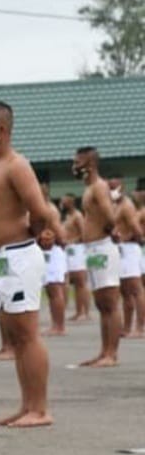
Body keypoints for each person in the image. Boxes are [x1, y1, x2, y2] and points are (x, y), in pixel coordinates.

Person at [0, 102, 53, 427]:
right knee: (14, 334)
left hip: (19, 253)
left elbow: (40, 209)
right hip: (1, 257)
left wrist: (38, 233)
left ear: (0, 130)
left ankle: (40, 409)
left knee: (27, 333)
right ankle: (27, 405)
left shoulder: (16, 165)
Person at [73, 147, 121, 367]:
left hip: (102, 247)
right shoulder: (89, 188)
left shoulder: (99, 187)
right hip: (92, 250)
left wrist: (110, 231)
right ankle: (103, 351)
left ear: (90, 164)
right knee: (101, 303)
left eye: (78, 162)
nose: (75, 166)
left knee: (110, 302)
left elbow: (109, 215)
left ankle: (112, 354)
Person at [110, 179, 145, 338]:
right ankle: (127, 326)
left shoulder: (127, 206)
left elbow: (137, 230)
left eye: (114, 187)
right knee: (125, 292)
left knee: (136, 289)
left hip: (129, 250)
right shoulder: (116, 205)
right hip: (120, 250)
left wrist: (125, 238)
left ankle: (140, 328)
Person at [38, 184, 68, 337]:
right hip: (47, 251)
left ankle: (59, 326)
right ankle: (55, 324)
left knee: (55, 289)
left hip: (53, 251)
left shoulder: (49, 209)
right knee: (51, 290)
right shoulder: (42, 207)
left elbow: (60, 232)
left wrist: (53, 240)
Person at [61, 194, 91, 322]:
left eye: (64, 201)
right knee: (74, 283)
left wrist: (72, 241)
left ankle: (85, 312)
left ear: (71, 202)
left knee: (80, 282)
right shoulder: (67, 216)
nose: (62, 203)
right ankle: (78, 311)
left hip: (77, 250)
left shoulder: (78, 216)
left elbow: (84, 235)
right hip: (69, 251)